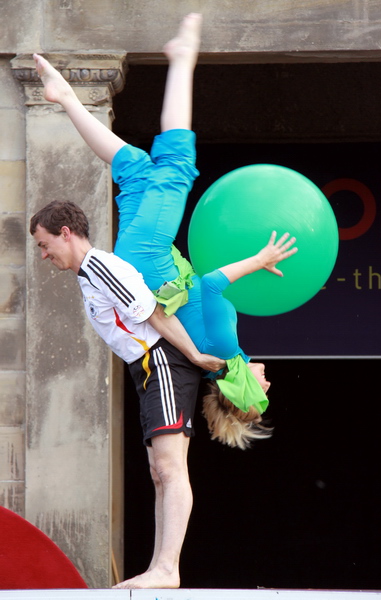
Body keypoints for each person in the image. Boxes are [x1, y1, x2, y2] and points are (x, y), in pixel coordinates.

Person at [33, 13, 298, 456]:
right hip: (144, 260)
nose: (267, 380)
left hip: (150, 257)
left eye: (263, 389)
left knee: (175, 166)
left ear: (240, 391)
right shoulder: (222, 356)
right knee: (136, 170)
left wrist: (259, 259)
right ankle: (64, 97)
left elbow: (212, 284)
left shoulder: (225, 349)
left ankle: (181, 59)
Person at [30, 15, 227, 591]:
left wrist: (200, 356)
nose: (42, 255)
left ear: (66, 232)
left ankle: (167, 568)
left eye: (43, 245)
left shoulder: (103, 263)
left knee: (174, 167)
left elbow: (155, 318)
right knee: (140, 168)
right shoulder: (95, 270)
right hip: (150, 297)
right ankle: (77, 94)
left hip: (156, 326)